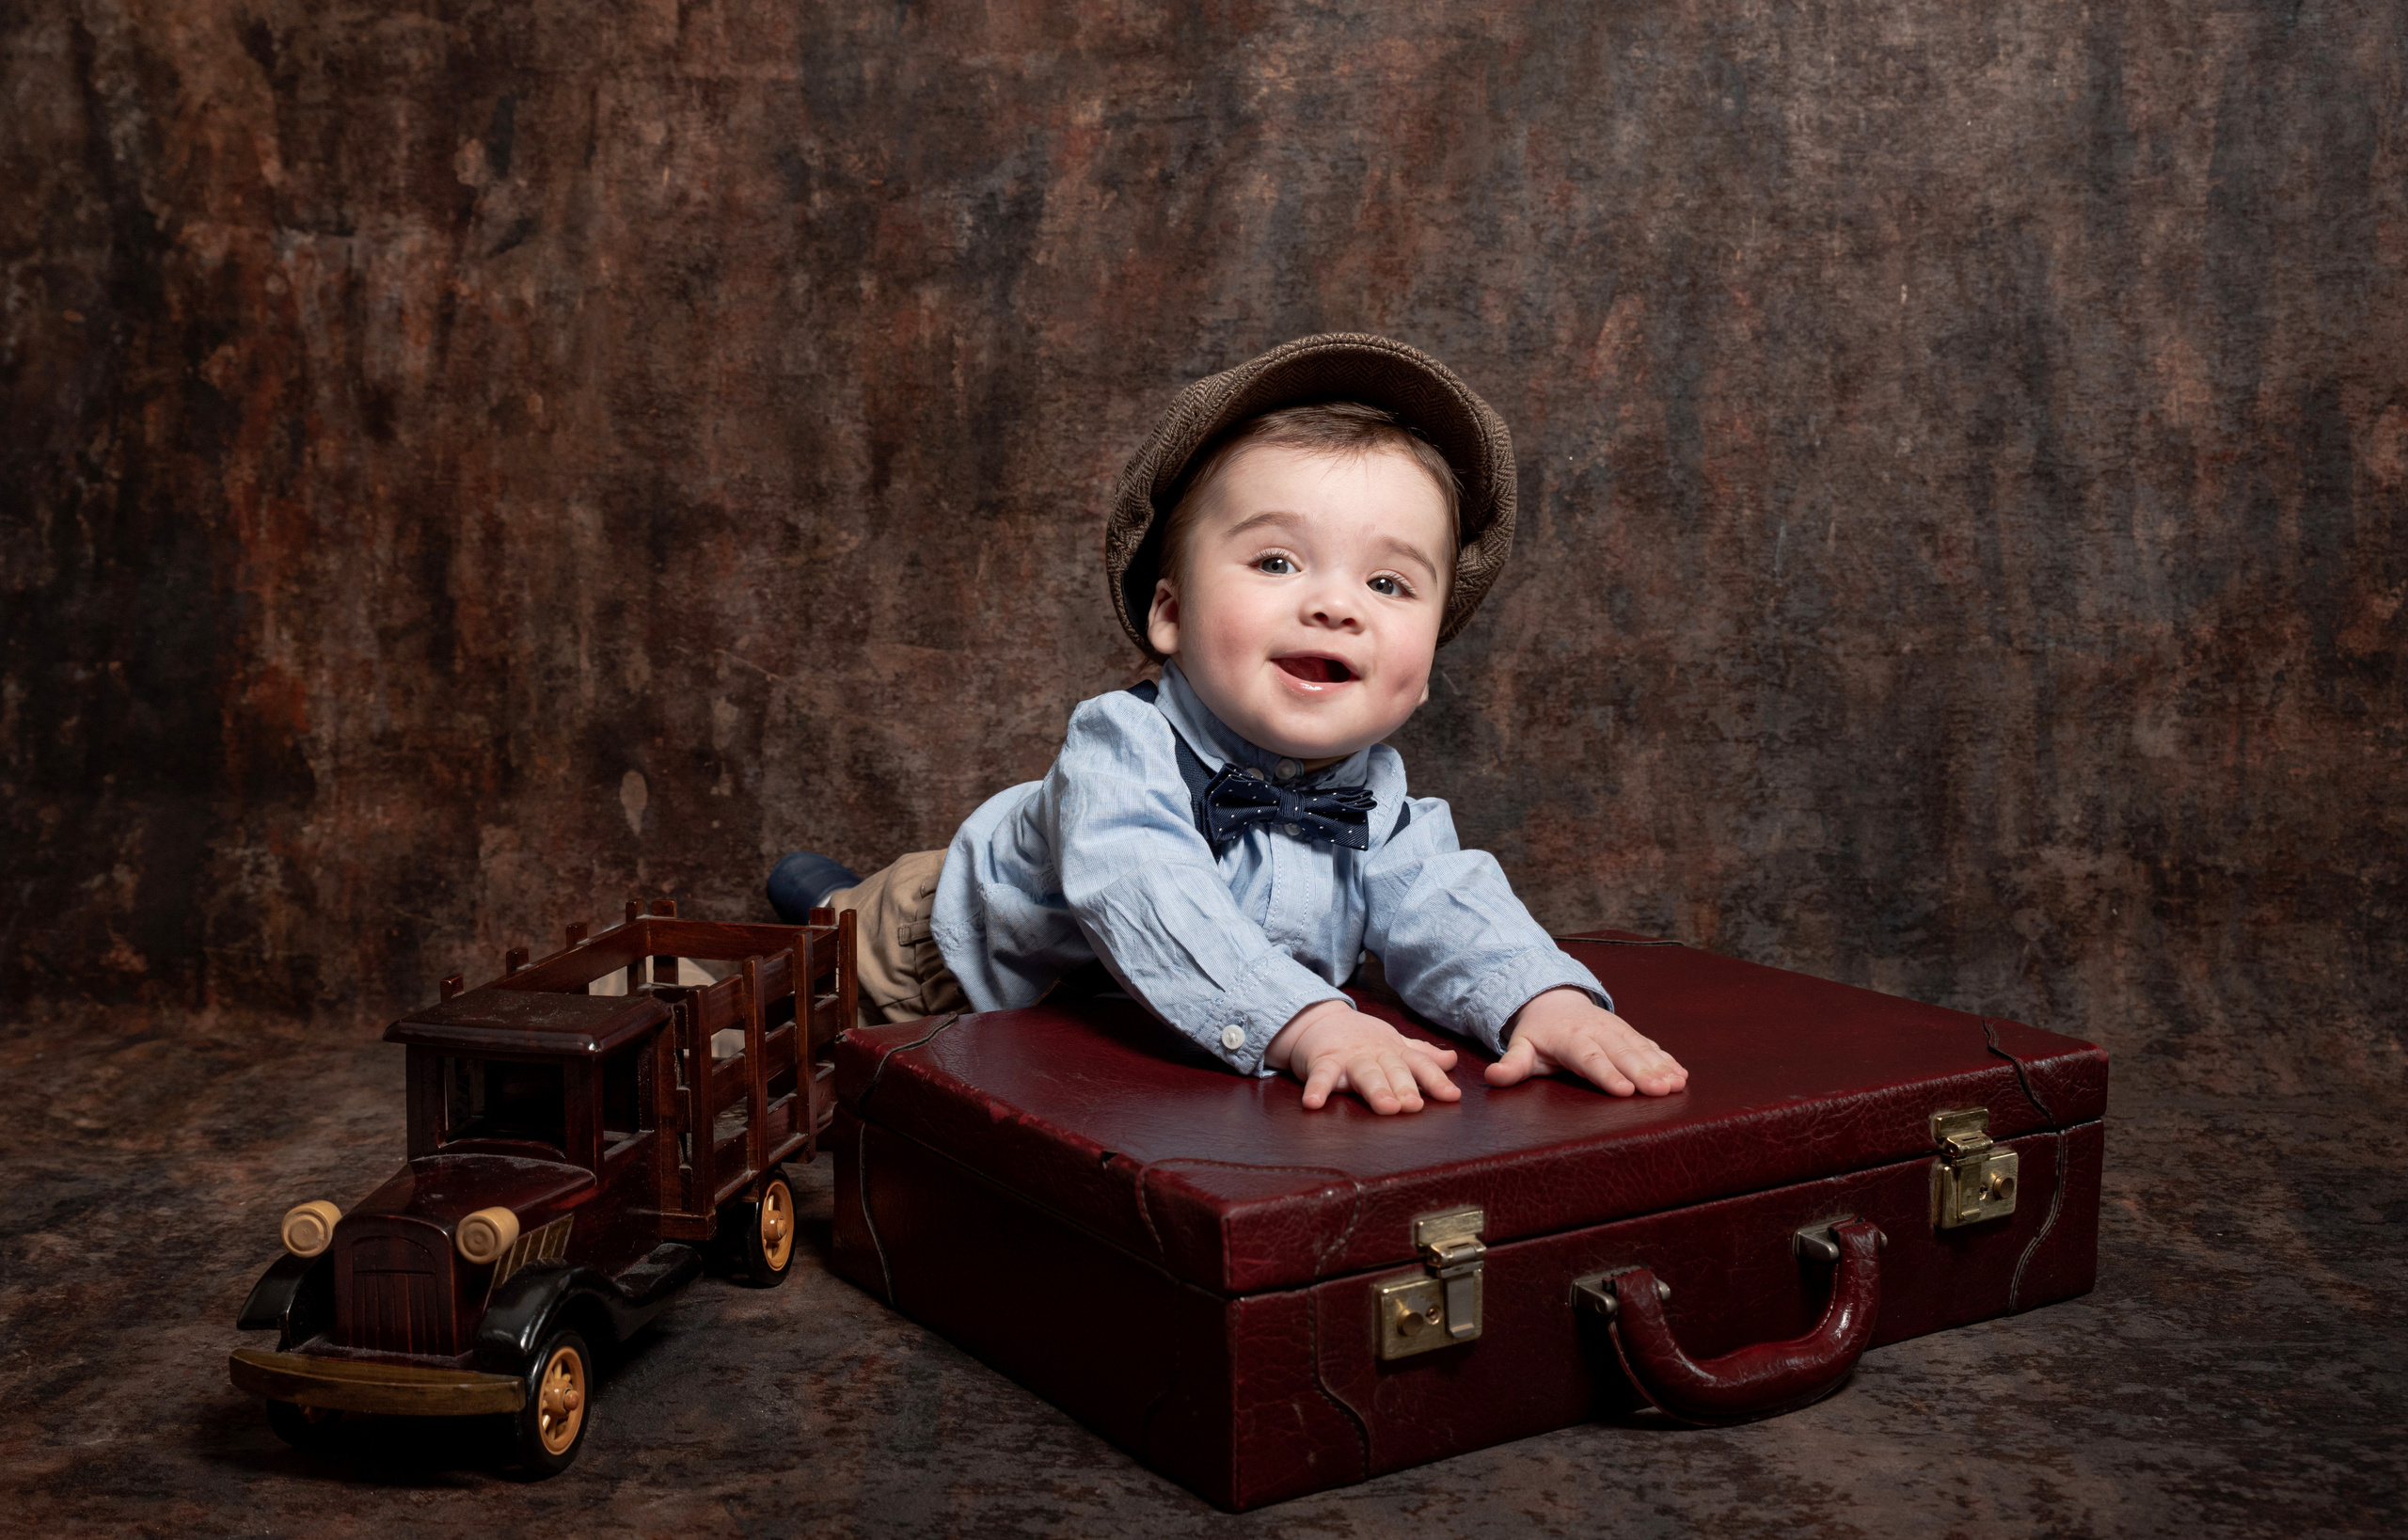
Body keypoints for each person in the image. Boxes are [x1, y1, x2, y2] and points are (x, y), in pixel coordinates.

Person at [769, 333, 1687, 1115]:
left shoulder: (1377, 795)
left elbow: (1445, 902)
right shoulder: (1119, 746)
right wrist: (1305, 1019)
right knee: (763, 1010)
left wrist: (1543, 999)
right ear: (1167, 614)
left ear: (1422, 676)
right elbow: (1151, 893)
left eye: (1387, 582)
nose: (1336, 605)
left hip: (1114, 1021)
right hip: (938, 954)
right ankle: (821, 901)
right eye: (1278, 560)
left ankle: (815, 882)